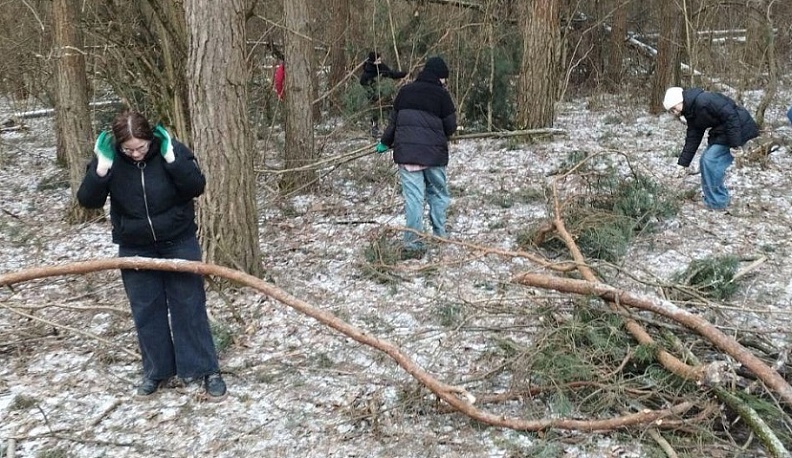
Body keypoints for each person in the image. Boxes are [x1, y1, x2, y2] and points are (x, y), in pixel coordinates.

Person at [77, 110, 227, 400]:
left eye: (141, 147)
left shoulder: (170, 150)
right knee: (146, 309)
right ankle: (157, 371)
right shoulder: (110, 159)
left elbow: (196, 186)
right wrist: (102, 168)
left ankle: (204, 369)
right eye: (128, 149)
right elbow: (88, 200)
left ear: (149, 140)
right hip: (135, 246)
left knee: (189, 304)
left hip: (178, 240)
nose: (135, 154)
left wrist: (173, 160)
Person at [375, 56, 457, 259]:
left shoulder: (405, 92)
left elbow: (393, 124)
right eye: (444, 79)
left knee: (414, 199)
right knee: (438, 195)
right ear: (440, 77)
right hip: (435, 157)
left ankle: (412, 244)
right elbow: (451, 127)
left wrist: (385, 143)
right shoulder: (442, 96)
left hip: (408, 156)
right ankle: (440, 236)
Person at [662, 87, 758, 211]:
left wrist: (735, 144)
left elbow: (731, 116)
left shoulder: (704, 101)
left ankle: (718, 202)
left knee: (710, 160)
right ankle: (713, 200)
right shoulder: (691, 112)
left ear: (680, 100)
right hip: (723, 131)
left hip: (739, 128)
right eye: (671, 111)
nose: (674, 112)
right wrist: (683, 164)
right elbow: (693, 138)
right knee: (705, 161)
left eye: (674, 108)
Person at [360, 51, 407, 138]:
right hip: (374, 97)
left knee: (390, 109)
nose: (380, 61)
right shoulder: (368, 70)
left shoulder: (382, 67)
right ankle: (375, 128)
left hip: (385, 94)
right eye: (378, 60)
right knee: (375, 112)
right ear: (373, 61)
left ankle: (391, 127)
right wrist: (373, 91)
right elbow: (363, 83)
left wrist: (404, 74)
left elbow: (391, 74)